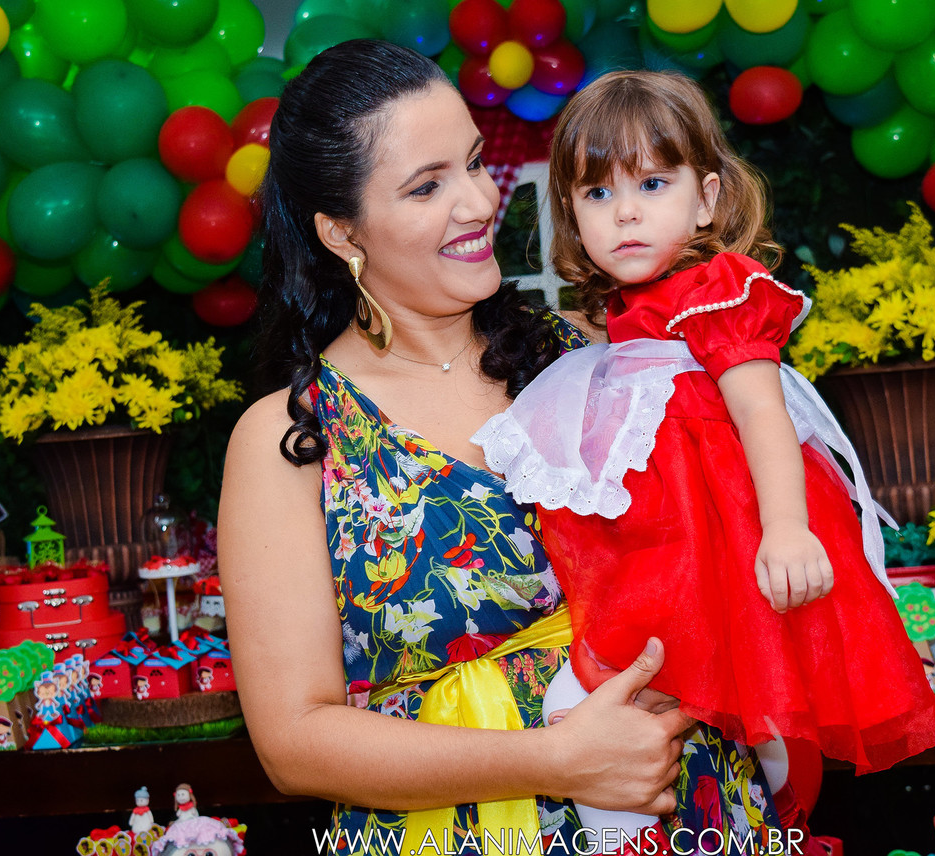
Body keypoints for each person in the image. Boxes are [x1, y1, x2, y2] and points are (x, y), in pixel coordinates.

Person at [219, 40, 789, 856]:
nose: (481, 201)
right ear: (342, 231)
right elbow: (294, 741)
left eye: (477, 163)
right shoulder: (292, 439)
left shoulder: (600, 357)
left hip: (689, 810)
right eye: (427, 186)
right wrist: (557, 760)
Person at [472, 70, 935, 842]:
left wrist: (789, 528)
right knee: (619, 697)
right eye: (597, 194)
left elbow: (764, 413)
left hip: (728, 538)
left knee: (704, 692)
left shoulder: (721, 289)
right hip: (665, 546)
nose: (625, 212)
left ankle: (773, 798)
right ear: (570, 214)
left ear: (707, 198)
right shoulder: (622, 313)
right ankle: (661, 817)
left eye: (653, 183)